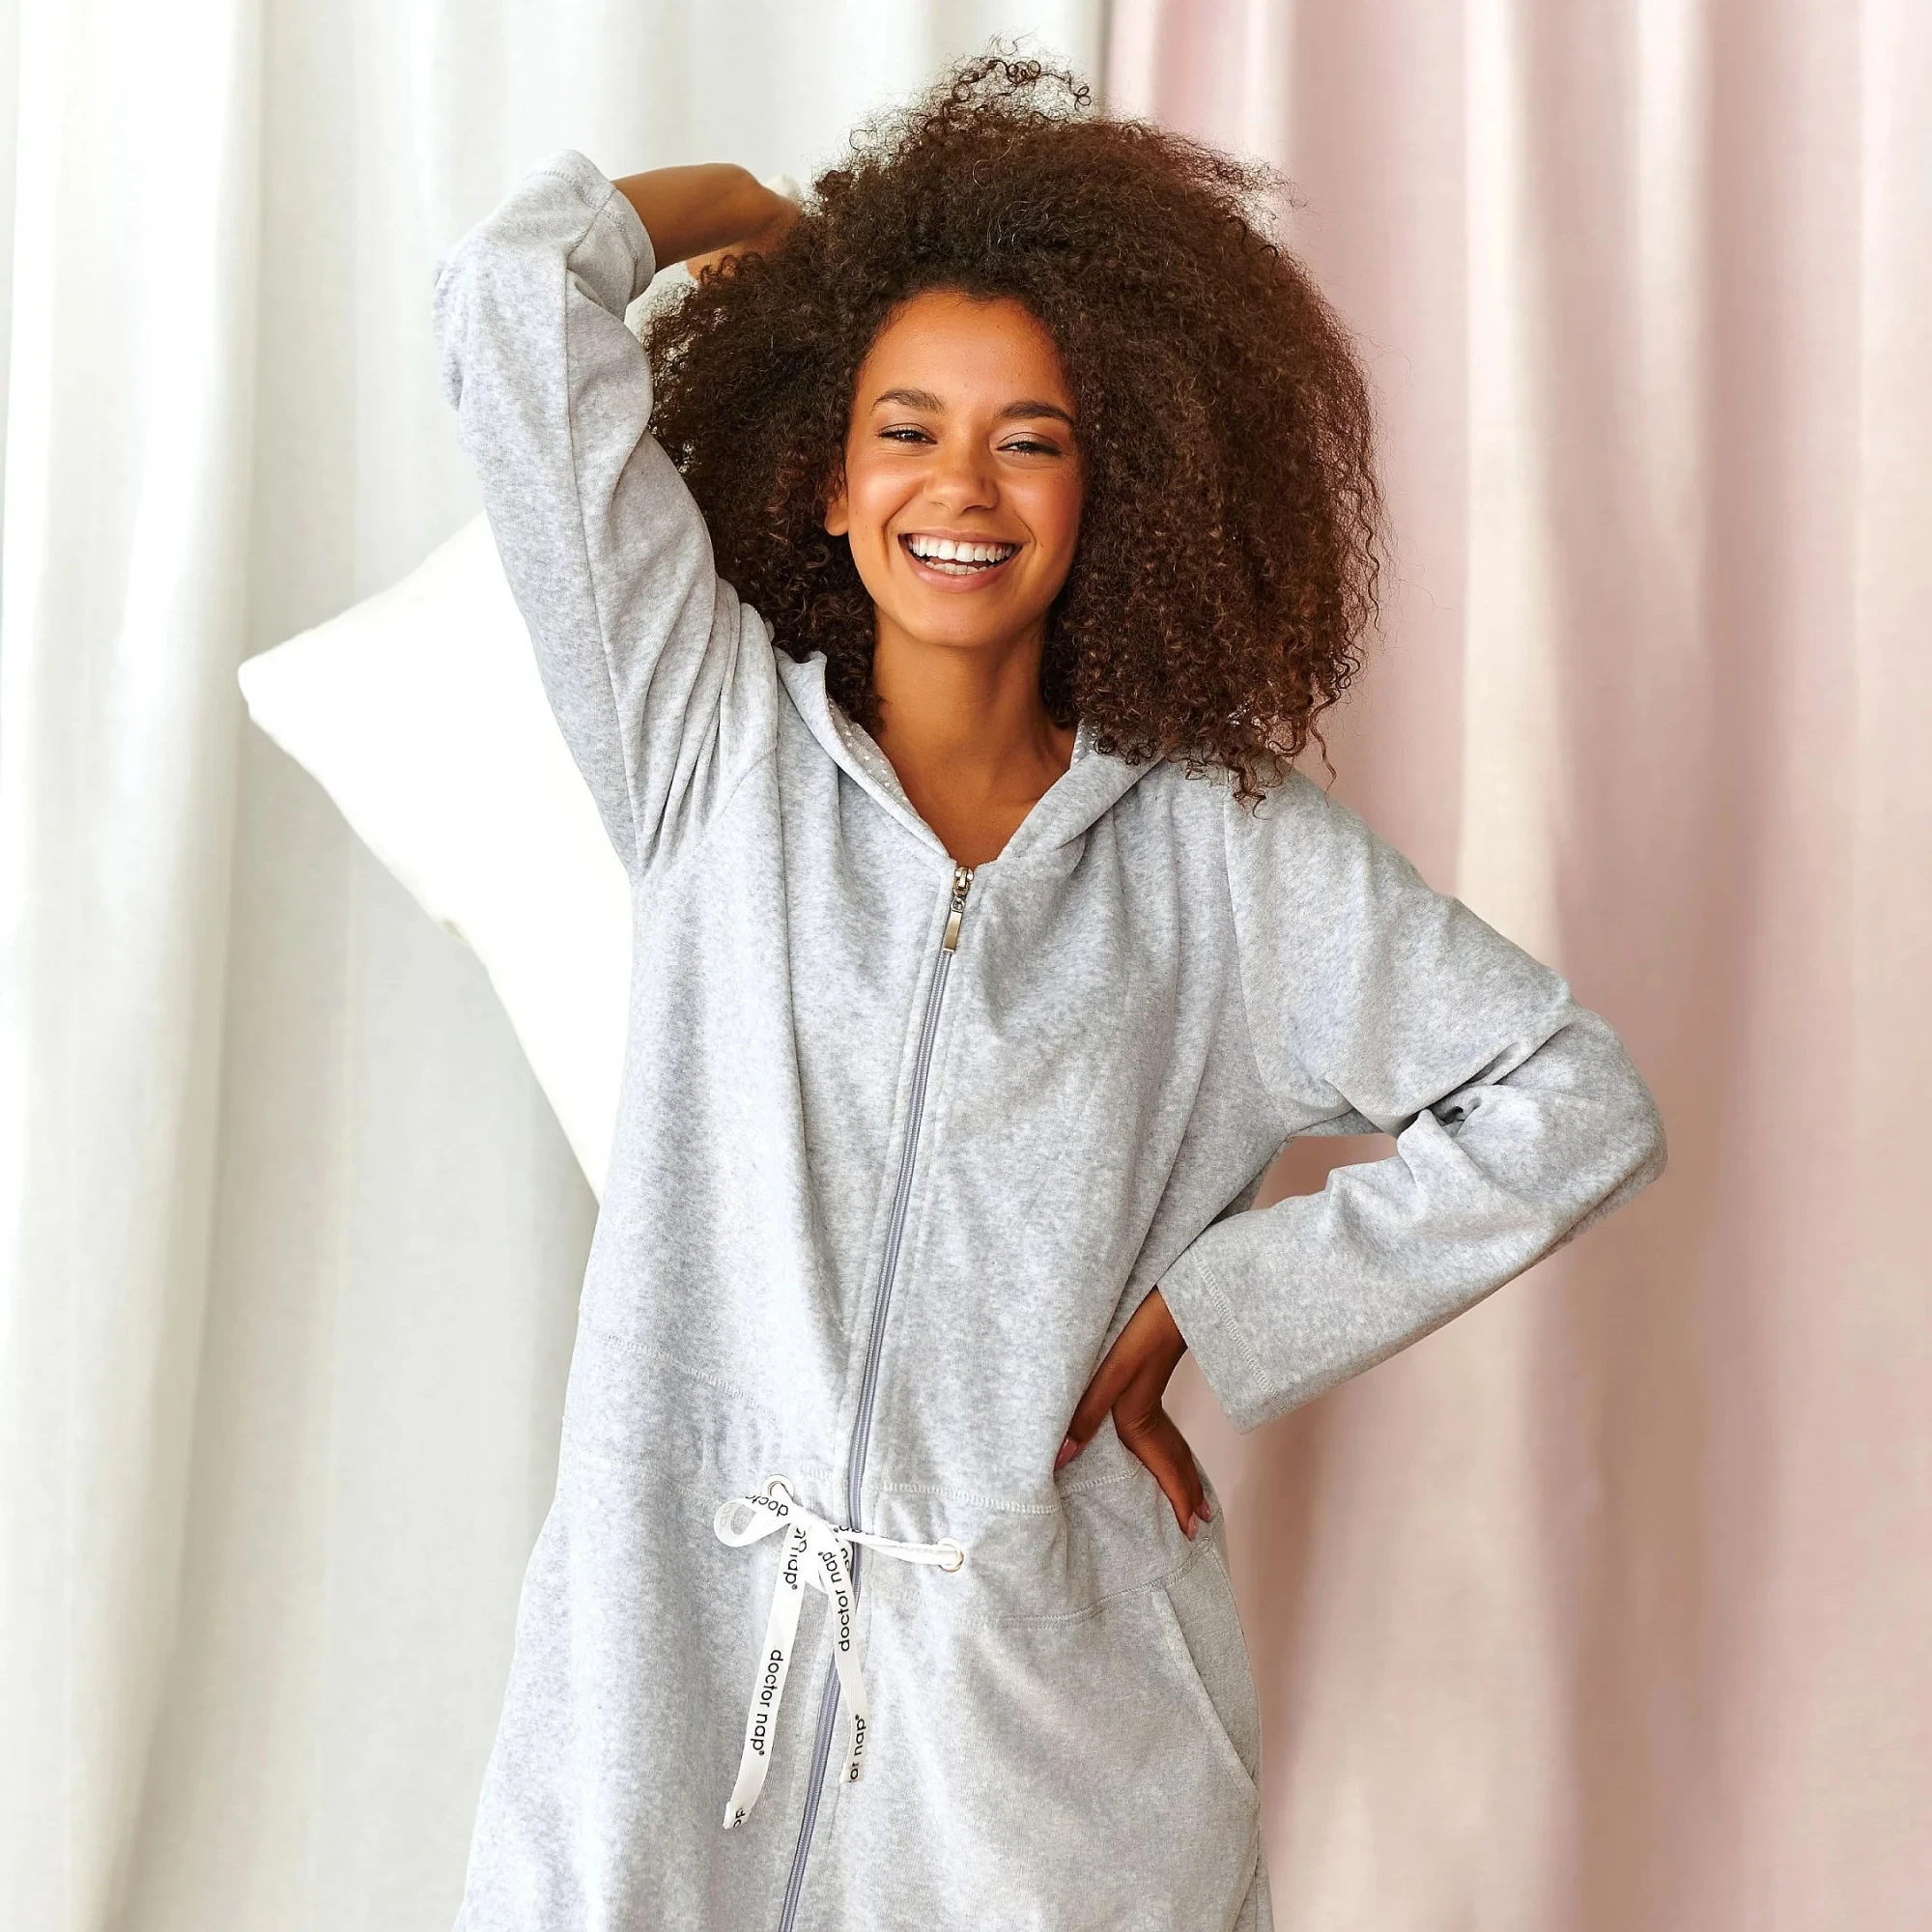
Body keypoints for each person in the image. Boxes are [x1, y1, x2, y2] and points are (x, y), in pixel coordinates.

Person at [431, 54, 1663, 1932]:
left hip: (1039, 1752)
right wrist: (745, 220)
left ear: (1112, 491)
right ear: (826, 477)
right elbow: (515, 306)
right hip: (666, 1694)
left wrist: (1219, 1303)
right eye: (905, 426)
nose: (961, 484)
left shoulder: (1227, 861)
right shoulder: (704, 749)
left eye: (1030, 438)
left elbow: (1571, 1099)